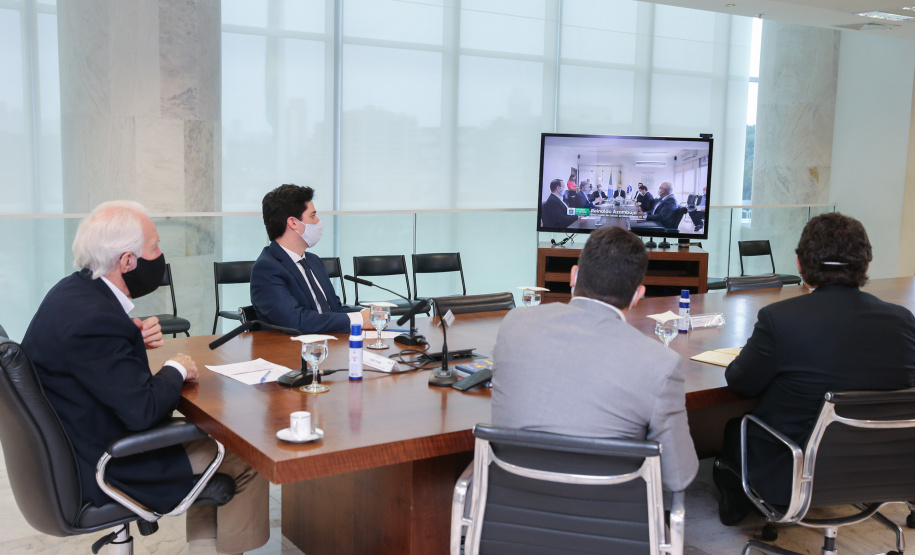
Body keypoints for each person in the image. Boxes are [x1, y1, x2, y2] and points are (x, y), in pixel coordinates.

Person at [20, 201, 269, 555]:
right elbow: (143, 411)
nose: (160, 256)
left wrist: (130, 339)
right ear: (127, 261)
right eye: (154, 247)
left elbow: (92, 364)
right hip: (106, 464)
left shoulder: (71, 293)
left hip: (73, 448)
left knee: (217, 446)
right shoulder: (95, 321)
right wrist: (176, 367)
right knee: (246, 456)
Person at [713, 212, 915, 525]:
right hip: (880, 471)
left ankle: (740, 503)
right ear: (866, 267)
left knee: (735, 427)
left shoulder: (780, 319)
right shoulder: (902, 322)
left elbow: (741, 383)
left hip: (793, 476)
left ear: (800, 265)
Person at [492, 227, 699, 492]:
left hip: (511, 506)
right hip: (607, 516)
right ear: (638, 295)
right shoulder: (661, 363)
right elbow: (677, 478)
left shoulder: (515, 323)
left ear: (574, 275)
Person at [250, 184, 370, 334]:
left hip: (330, 342)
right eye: (312, 216)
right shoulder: (267, 269)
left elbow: (335, 309)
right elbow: (296, 321)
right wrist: (358, 319)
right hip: (292, 347)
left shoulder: (313, 261)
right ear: (293, 223)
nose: (318, 221)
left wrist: (369, 314)